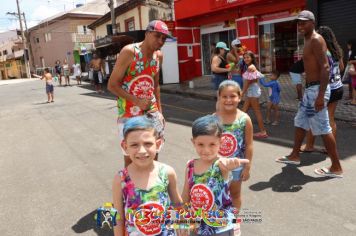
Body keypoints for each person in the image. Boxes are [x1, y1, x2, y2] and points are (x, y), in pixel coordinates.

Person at [276, 10, 343, 178]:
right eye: (298, 23)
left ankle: (336, 167)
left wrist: (321, 95)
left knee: (323, 128)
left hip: (317, 90)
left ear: (312, 23)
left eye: (304, 22)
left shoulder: (315, 39)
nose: (300, 25)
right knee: (300, 122)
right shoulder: (307, 40)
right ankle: (294, 155)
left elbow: (325, 67)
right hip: (310, 90)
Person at [107, 20, 170, 167]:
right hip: (129, 113)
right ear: (147, 33)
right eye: (157, 36)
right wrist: (135, 100)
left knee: (153, 153)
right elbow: (112, 85)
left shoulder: (158, 56)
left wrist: (160, 112)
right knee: (131, 158)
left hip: (151, 112)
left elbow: (155, 86)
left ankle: (152, 187)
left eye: (164, 38)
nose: (161, 41)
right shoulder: (130, 52)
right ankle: (130, 189)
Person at [112, 116, 182, 236]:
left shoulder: (167, 172)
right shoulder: (120, 179)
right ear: (125, 147)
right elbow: (118, 217)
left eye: (148, 143)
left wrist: (182, 227)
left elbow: (177, 204)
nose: (142, 151)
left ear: (158, 144)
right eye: (134, 145)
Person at [181, 115, 249, 236]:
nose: (206, 150)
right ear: (193, 142)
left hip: (220, 227)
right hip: (197, 225)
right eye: (200, 144)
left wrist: (229, 164)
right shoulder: (190, 165)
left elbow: (225, 165)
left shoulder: (221, 165)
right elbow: (186, 195)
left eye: (212, 144)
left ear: (221, 142)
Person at [300, 26, 345, 152]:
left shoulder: (320, 50)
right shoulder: (337, 50)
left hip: (323, 88)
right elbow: (341, 68)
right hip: (338, 87)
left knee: (312, 116)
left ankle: (309, 146)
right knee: (330, 118)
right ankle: (329, 148)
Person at [215, 80, 253, 212]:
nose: (228, 100)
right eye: (224, 96)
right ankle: (217, 222)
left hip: (237, 166)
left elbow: (249, 145)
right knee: (217, 195)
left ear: (240, 97)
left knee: (235, 194)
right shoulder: (213, 119)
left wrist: (247, 167)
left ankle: (233, 221)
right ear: (219, 97)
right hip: (217, 165)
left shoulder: (244, 119)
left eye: (232, 96)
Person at [241, 51, 268, 138]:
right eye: (244, 57)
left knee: (257, 112)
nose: (246, 59)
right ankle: (237, 128)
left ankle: (263, 131)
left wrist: (242, 93)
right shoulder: (250, 66)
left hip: (252, 91)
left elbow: (247, 82)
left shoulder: (251, 67)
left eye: (248, 57)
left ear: (252, 58)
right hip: (252, 91)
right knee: (244, 111)